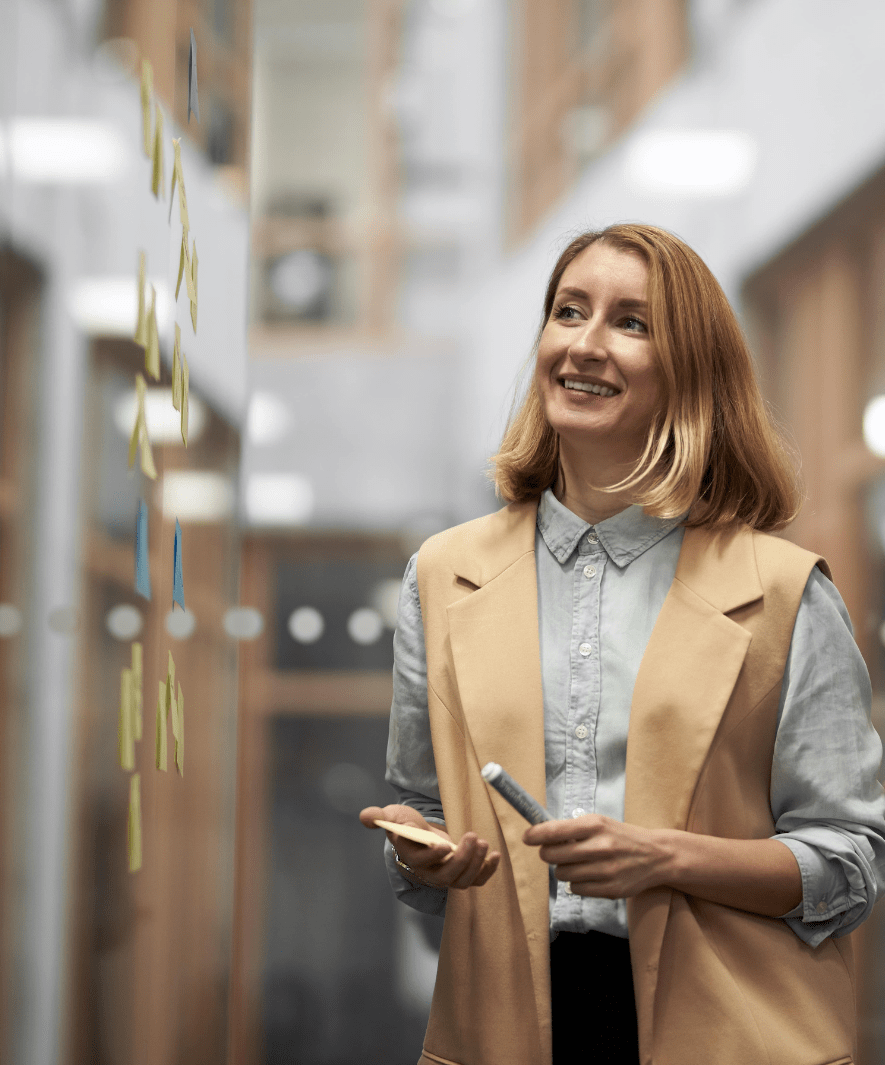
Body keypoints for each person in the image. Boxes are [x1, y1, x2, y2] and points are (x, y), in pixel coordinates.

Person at [359, 223, 885, 1065]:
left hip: (729, 1032)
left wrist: (663, 855)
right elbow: (423, 805)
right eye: (569, 312)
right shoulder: (442, 574)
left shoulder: (783, 590)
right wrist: (426, 854)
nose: (585, 344)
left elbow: (849, 863)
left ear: (690, 371)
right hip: (502, 1027)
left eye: (630, 323)